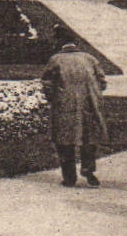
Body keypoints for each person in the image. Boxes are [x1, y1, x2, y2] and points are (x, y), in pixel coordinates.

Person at [40, 28, 110, 188]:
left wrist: (53, 98)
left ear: (59, 42)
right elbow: (102, 82)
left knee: (64, 140)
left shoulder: (56, 60)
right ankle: (88, 169)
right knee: (89, 137)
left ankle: (69, 177)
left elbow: (47, 83)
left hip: (65, 104)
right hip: (89, 104)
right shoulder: (89, 58)